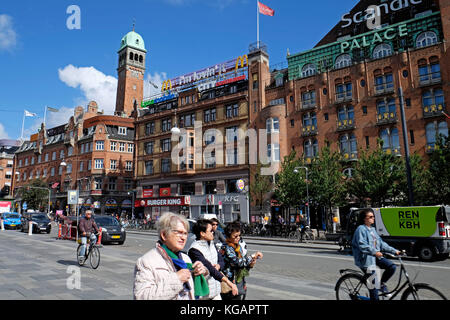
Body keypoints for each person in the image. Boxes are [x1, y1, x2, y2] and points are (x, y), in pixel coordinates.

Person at [133, 212, 209, 300]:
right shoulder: (146, 262)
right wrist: (177, 279)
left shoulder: (185, 258)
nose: (183, 237)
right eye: (179, 233)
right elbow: (141, 296)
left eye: (185, 233)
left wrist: (198, 272)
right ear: (164, 235)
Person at [352, 208, 401, 300]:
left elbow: (381, 244)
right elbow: (362, 245)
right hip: (366, 261)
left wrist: (394, 251)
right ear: (364, 218)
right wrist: (375, 252)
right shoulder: (360, 229)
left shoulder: (372, 230)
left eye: (373, 216)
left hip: (375, 258)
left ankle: (381, 284)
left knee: (391, 267)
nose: (373, 218)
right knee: (374, 286)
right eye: (370, 217)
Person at [188, 219, 238, 300]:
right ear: (202, 233)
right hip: (203, 295)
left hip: (215, 291)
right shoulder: (194, 250)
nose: (213, 232)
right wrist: (228, 282)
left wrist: (219, 266)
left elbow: (221, 260)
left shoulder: (211, 244)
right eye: (210, 231)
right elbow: (210, 268)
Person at [220, 222, 263, 300]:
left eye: (239, 235)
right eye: (235, 236)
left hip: (238, 280)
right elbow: (238, 262)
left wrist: (251, 263)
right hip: (229, 283)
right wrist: (252, 256)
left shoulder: (237, 247)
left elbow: (243, 264)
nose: (238, 238)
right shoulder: (227, 248)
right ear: (228, 237)